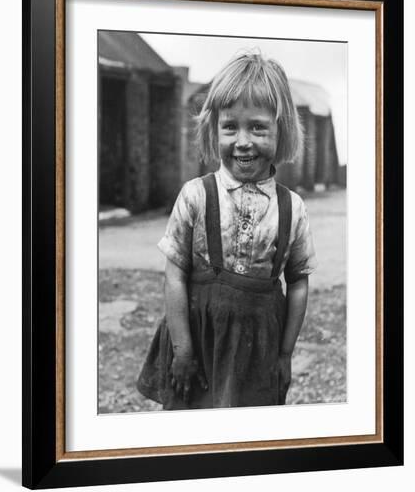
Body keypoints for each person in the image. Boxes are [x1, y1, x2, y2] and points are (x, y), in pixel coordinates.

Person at [136, 50, 317, 410]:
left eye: (258, 127)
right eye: (230, 126)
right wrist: (182, 350)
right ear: (213, 129)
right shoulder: (195, 196)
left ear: (280, 132)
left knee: (249, 438)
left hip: (257, 347)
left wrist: (284, 354)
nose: (243, 140)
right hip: (198, 340)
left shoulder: (292, 207)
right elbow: (175, 275)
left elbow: (298, 282)